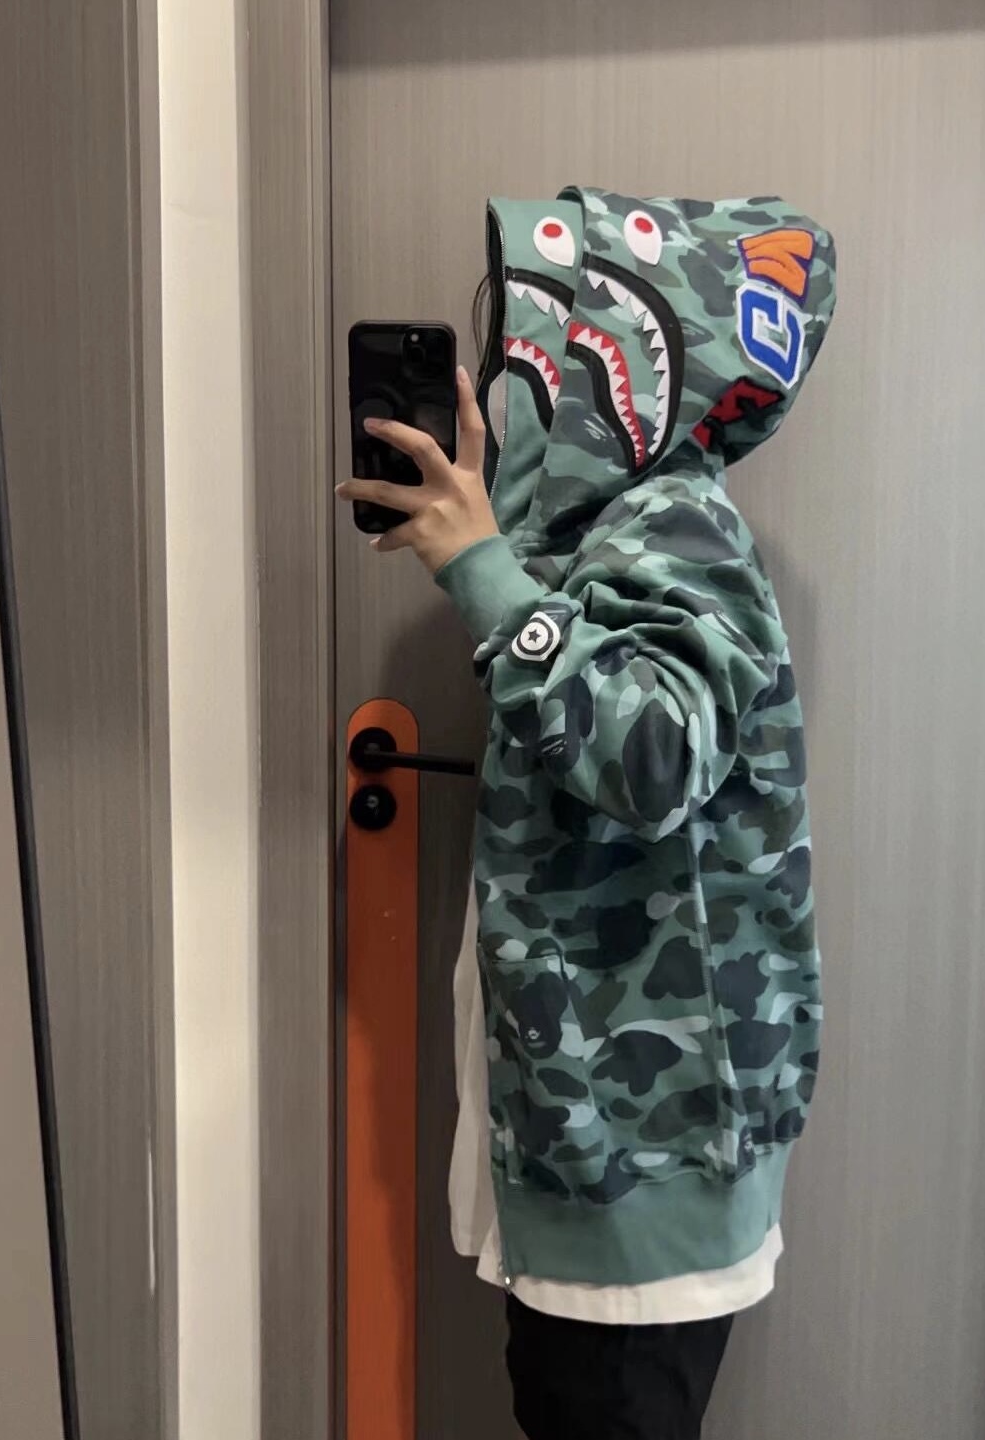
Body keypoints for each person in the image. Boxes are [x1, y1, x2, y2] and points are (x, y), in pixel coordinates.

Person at [336, 187, 836, 1440]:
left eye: (526, 350)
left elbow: (655, 754)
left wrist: (483, 572)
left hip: (640, 1181)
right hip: (609, 1153)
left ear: (623, 368)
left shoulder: (676, 523)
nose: (499, 383)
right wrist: (494, 553)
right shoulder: (609, 532)